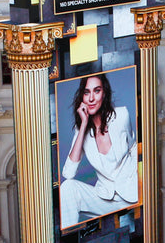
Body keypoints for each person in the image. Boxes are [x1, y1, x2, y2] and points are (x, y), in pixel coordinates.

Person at [59, 72, 138, 230]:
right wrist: (82, 126)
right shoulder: (82, 130)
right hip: (104, 198)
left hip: (130, 194)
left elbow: (133, 147)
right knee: (67, 187)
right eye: (86, 92)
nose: (91, 98)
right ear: (82, 97)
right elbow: (68, 173)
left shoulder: (121, 115)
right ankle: (72, 237)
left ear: (104, 93)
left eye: (97, 91)